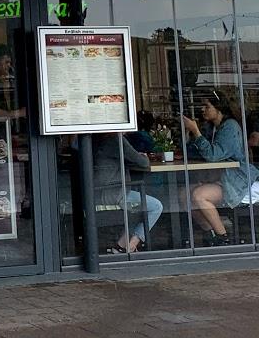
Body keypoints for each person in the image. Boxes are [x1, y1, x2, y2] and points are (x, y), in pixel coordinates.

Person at [181, 90, 259, 246]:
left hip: (237, 180)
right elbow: (193, 151)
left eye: (206, 106)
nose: (202, 109)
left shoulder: (230, 127)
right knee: (183, 194)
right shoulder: (211, 127)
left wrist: (195, 131)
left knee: (198, 195)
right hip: (221, 178)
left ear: (219, 108)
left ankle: (223, 237)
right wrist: (188, 133)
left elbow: (212, 155)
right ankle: (210, 232)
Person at [93, 133, 162, 253]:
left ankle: (121, 246)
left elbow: (126, 157)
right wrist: (144, 156)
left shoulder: (97, 139)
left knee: (137, 208)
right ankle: (131, 245)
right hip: (114, 193)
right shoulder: (116, 140)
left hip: (100, 192)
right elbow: (143, 162)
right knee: (156, 207)